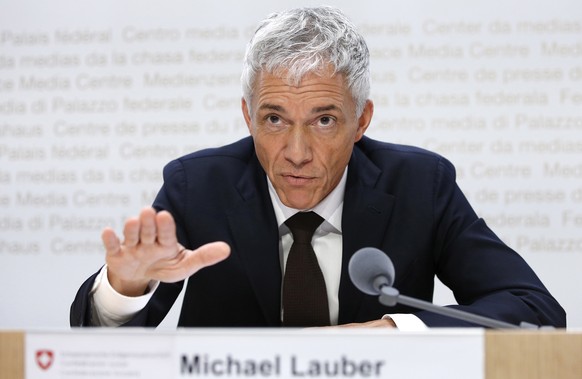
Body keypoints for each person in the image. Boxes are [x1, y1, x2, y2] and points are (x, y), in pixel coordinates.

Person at [70, 6, 566, 329]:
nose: (297, 151)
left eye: (324, 120)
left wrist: (400, 330)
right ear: (247, 115)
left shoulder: (420, 185)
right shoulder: (197, 186)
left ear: (361, 120)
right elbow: (99, 343)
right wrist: (124, 288)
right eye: (274, 119)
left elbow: (535, 311)